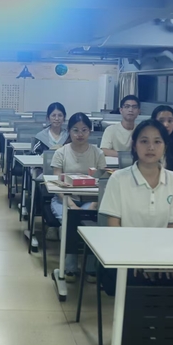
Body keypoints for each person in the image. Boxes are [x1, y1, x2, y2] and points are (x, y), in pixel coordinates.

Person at [99, 119, 173, 345]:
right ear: (134, 145)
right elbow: (113, 229)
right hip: (125, 260)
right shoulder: (119, 180)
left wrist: (161, 261)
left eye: (157, 141)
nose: (151, 147)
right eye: (144, 141)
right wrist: (136, 260)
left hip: (163, 259)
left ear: (165, 146)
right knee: (136, 290)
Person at [49, 113, 107, 280]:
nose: (80, 134)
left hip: (91, 201)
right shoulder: (61, 152)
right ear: (69, 131)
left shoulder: (97, 153)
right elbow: (57, 185)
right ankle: (70, 268)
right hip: (64, 199)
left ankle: (90, 268)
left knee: (93, 223)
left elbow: (103, 183)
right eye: (75, 130)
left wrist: (95, 204)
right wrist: (72, 205)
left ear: (90, 131)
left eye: (84, 130)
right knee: (71, 221)